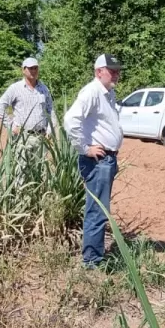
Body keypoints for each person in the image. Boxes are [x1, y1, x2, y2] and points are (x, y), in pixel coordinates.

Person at [63, 54, 124, 268]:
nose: (116, 73)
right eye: (111, 70)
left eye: (117, 70)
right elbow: (71, 120)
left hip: (106, 159)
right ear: (99, 71)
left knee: (100, 209)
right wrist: (85, 148)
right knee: (96, 210)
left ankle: (93, 257)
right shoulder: (92, 92)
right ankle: (92, 261)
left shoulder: (108, 93)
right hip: (98, 160)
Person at [0, 57, 58, 181]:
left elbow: (51, 110)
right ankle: (21, 198)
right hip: (22, 137)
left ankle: (36, 199)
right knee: (21, 172)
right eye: (30, 68)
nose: (33, 71)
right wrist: (11, 125)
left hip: (41, 138)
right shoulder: (16, 88)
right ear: (23, 70)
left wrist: (50, 131)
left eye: (35, 68)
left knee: (39, 174)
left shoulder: (44, 89)